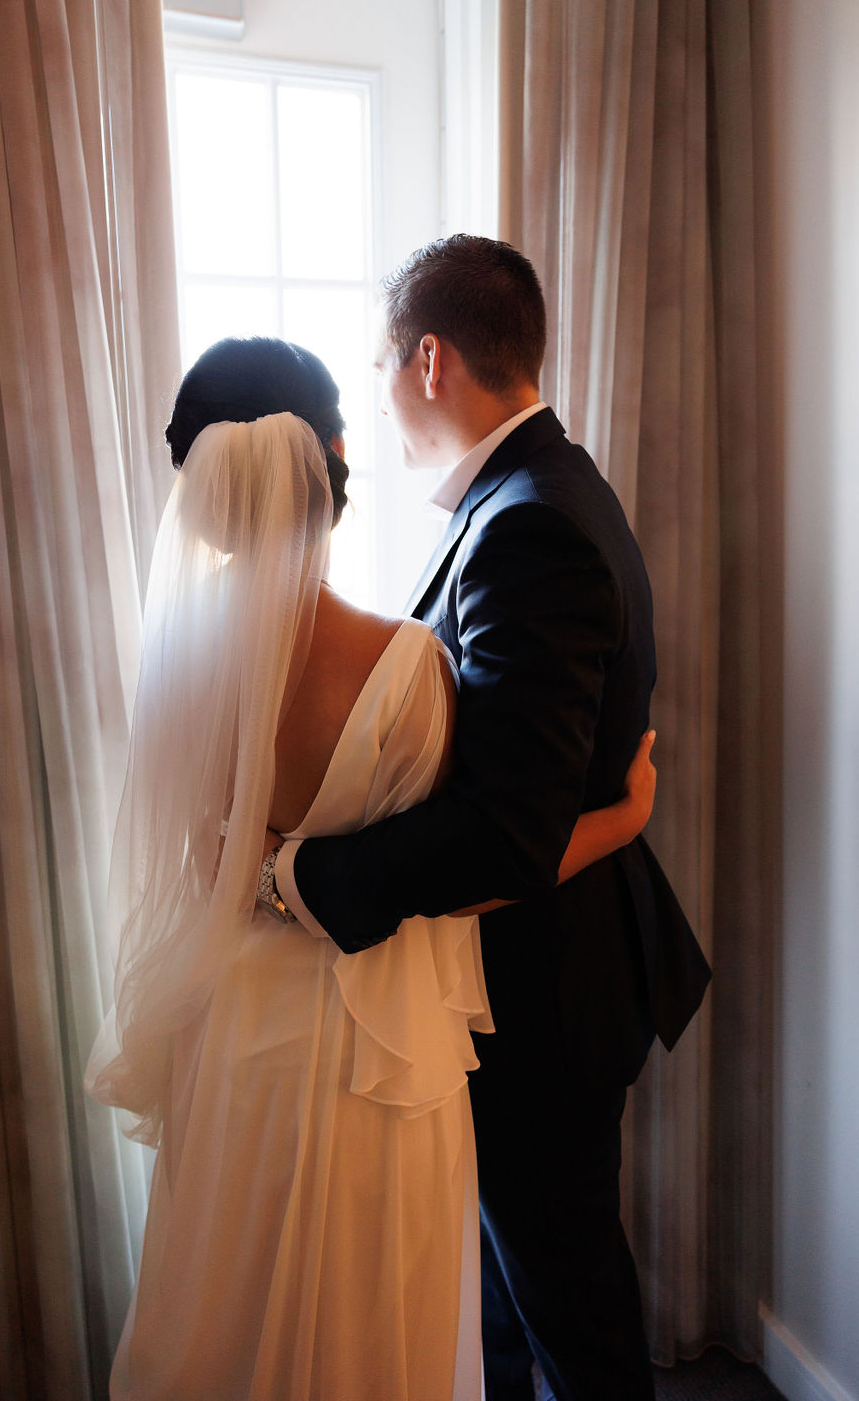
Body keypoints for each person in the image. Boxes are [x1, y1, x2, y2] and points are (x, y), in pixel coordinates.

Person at [85, 335, 658, 1401]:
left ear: (202, 490)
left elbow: (205, 853)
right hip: (374, 1045)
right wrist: (621, 818)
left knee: (225, 1292)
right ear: (333, 463)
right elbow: (480, 856)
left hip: (232, 1026)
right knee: (370, 1317)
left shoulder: (170, 662)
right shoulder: (406, 666)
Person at [265, 238, 713, 1401]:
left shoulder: (530, 526)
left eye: (378, 365)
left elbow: (506, 832)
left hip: (546, 986)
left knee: (566, 1307)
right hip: (530, 966)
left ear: (429, 359)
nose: (375, 394)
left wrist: (302, 877)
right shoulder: (536, 495)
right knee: (514, 1301)